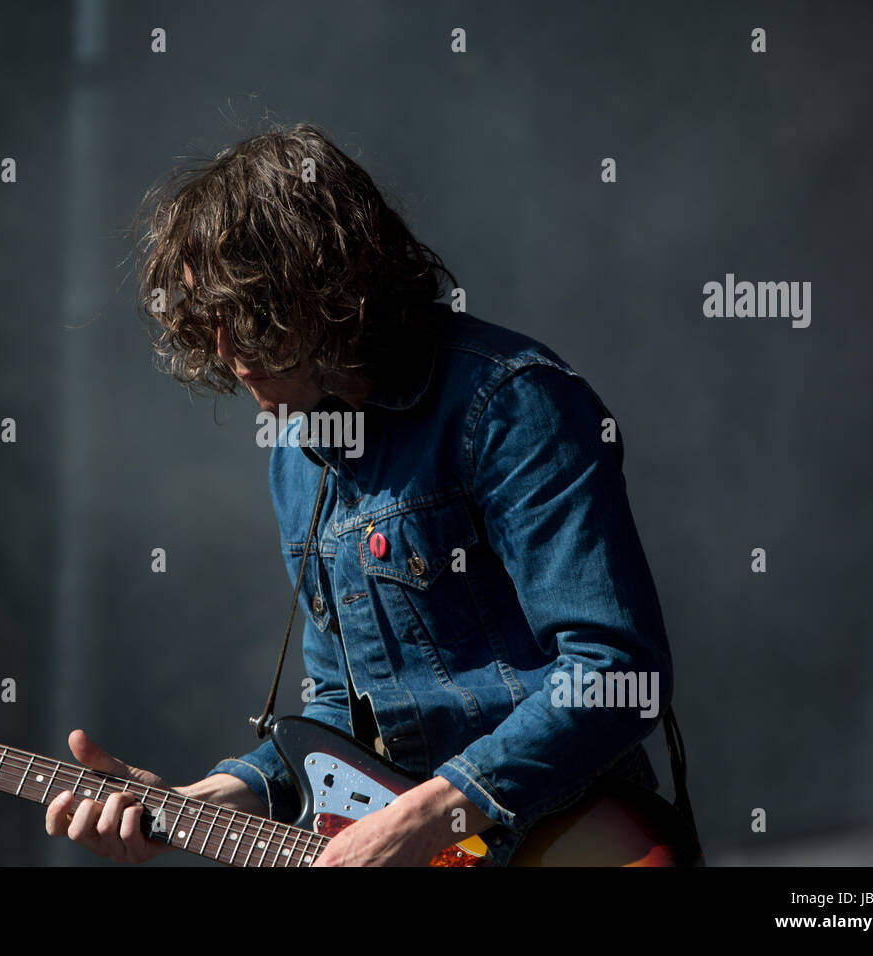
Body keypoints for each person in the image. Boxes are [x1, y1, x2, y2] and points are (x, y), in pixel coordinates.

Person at [44, 122, 674, 866]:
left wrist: (427, 818)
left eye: (243, 316)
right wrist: (195, 804)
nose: (223, 352)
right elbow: (345, 710)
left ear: (327, 287)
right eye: (206, 321)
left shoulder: (509, 403)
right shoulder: (298, 453)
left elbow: (617, 671)